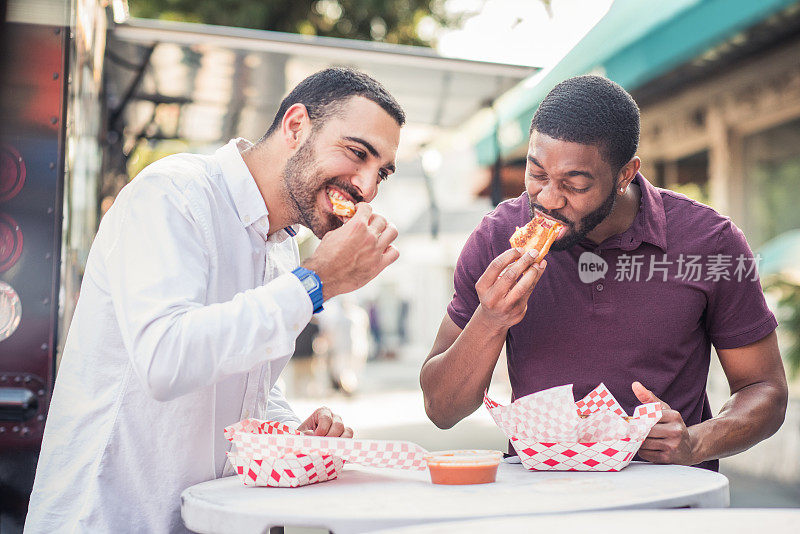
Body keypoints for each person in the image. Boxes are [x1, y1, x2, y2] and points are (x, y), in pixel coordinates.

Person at [26, 67, 403, 533]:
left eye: (381, 172)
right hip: (110, 517)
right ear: (295, 125)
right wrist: (316, 283)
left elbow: (246, 380)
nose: (367, 187)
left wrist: (290, 431)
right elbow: (166, 359)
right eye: (356, 152)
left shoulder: (284, 246)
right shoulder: (173, 194)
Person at [420, 75, 787, 471]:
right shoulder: (496, 239)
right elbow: (442, 410)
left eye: (574, 184)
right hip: (537, 499)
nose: (547, 199)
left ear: (625, 174)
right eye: (537, 174)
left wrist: (696, 442)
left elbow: (765, 389)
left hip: (669, 502)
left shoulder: (710, 241)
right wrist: (489, 320)